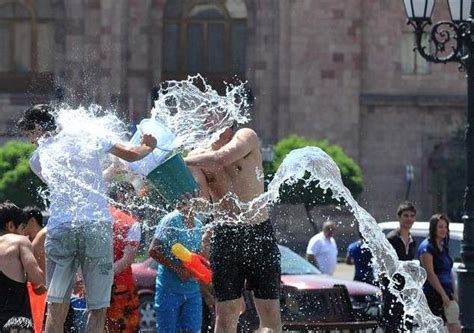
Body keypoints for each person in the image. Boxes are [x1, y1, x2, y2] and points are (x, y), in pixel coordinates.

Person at [17, 104, 157, 333]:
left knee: (57, 305)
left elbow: (73, 185)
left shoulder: (38, 158)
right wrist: (148, 146)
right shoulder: (89, 135)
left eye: (31, 133)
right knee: (98, 306)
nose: (32, 140)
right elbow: (133, 154)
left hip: (62, 230)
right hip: (95, 229)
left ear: (39, 128)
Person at [185, 125, 281, 333]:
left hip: (259, 232)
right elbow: (203, 199)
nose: (210, 121)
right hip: (226, 234)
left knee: (271, 318)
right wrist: (191, 203)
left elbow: (221, 158)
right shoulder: (197, 157)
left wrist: (182, 160)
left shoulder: (246, 136)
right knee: (226, 316)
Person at [148, 206, 205, 333]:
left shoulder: (199, 224)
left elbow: (197, 257)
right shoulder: (171, 220)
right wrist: (177, 269)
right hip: (169, 289)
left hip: (192, 291)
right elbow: (153, 250)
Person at [0, 201, 46, 328]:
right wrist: (39, 287)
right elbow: (37, 278)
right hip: (14, 322)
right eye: (22, 228)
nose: (24, 234)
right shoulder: (19, 241)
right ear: (10, 226)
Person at [106, 182, 141, 333]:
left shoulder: (96, 215)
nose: (134, 202)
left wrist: (96, 277)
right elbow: (126, 260)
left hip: (93, 284)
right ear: (122, 196)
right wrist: (106, 275)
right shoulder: (131, 223)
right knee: (125, 328)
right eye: (132, 197)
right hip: (121, 286)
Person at [417, 214, 461, 333]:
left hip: (447, 292)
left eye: (445, 227)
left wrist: (453, 292)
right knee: (436, 328)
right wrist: (442, 294)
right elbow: (430, 274)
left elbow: (450, 270)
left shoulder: (443, 246)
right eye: (440, 227)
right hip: (433, 294)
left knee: (455, 327)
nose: (444, 230)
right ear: (433, 228)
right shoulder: (427, 248)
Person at [380, 201, 417, 332]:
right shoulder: (392, 238)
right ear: (399, 217)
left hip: (406, 288)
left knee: (407, 324)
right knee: (391, 324)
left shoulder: (412, 241)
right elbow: (385, 264)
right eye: (406, 215)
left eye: (412, 216)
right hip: (393, 287)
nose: (409, 219)